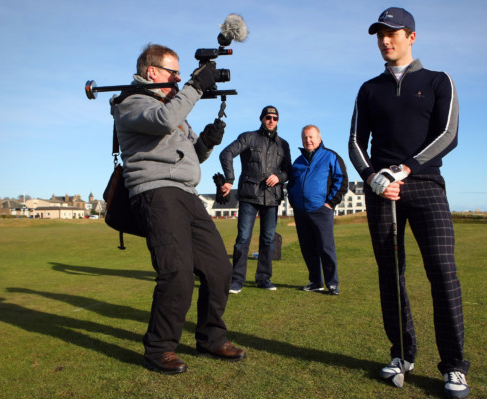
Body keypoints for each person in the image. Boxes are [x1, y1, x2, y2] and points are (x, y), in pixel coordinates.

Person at [348, 8, 470, 398]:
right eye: (380, 34)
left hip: (426, 184)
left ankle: (454, 366)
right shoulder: (369, 88)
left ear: (411, 36)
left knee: (442, 271)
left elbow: (448, 134)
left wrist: (405, 169)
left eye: (393, 33)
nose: (385, 40)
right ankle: (402, 354)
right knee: (390, 274)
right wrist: (374, 177)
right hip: (381, 190)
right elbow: (355, 141)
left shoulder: (437, 80)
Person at [110, 43, 246, 375]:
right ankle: (159, 348)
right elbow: (164, 120)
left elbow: (193, 155)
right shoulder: (131, 103)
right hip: (156, 193)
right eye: (173, 72)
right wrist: (196, 85)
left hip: (187, 195)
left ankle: (211, 338)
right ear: (151, 72)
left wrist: (208, 142)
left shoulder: (172, 106)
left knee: (218, 269)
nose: (179, 78)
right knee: (177, 272)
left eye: (182, 74)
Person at [219, 106, 291, 294]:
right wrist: (229, 179)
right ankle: (236, 280)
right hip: (249, 196)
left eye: (275, 118)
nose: (271, 120)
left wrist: (279, 178)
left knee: (268, 239)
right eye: (268, 117)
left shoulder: (283, 145)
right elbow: (226, 153)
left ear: (278, 120)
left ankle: (264, 278)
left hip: (272, 198)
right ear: (261, 119)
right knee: (243, 239)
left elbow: (288, 171)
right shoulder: (248, 137)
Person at [287, 125, 348, 295]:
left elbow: (341, 180)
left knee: (326, 248)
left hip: (321, 210)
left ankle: (332, 283)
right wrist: (293, 201)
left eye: (311, 137)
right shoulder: (298, 162)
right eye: (305, 137)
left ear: (319, 138)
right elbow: (291, 185)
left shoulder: (331, 156)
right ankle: (315, 281)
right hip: (301, 211)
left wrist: (330, 203)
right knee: (307, 248)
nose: (308, 140)